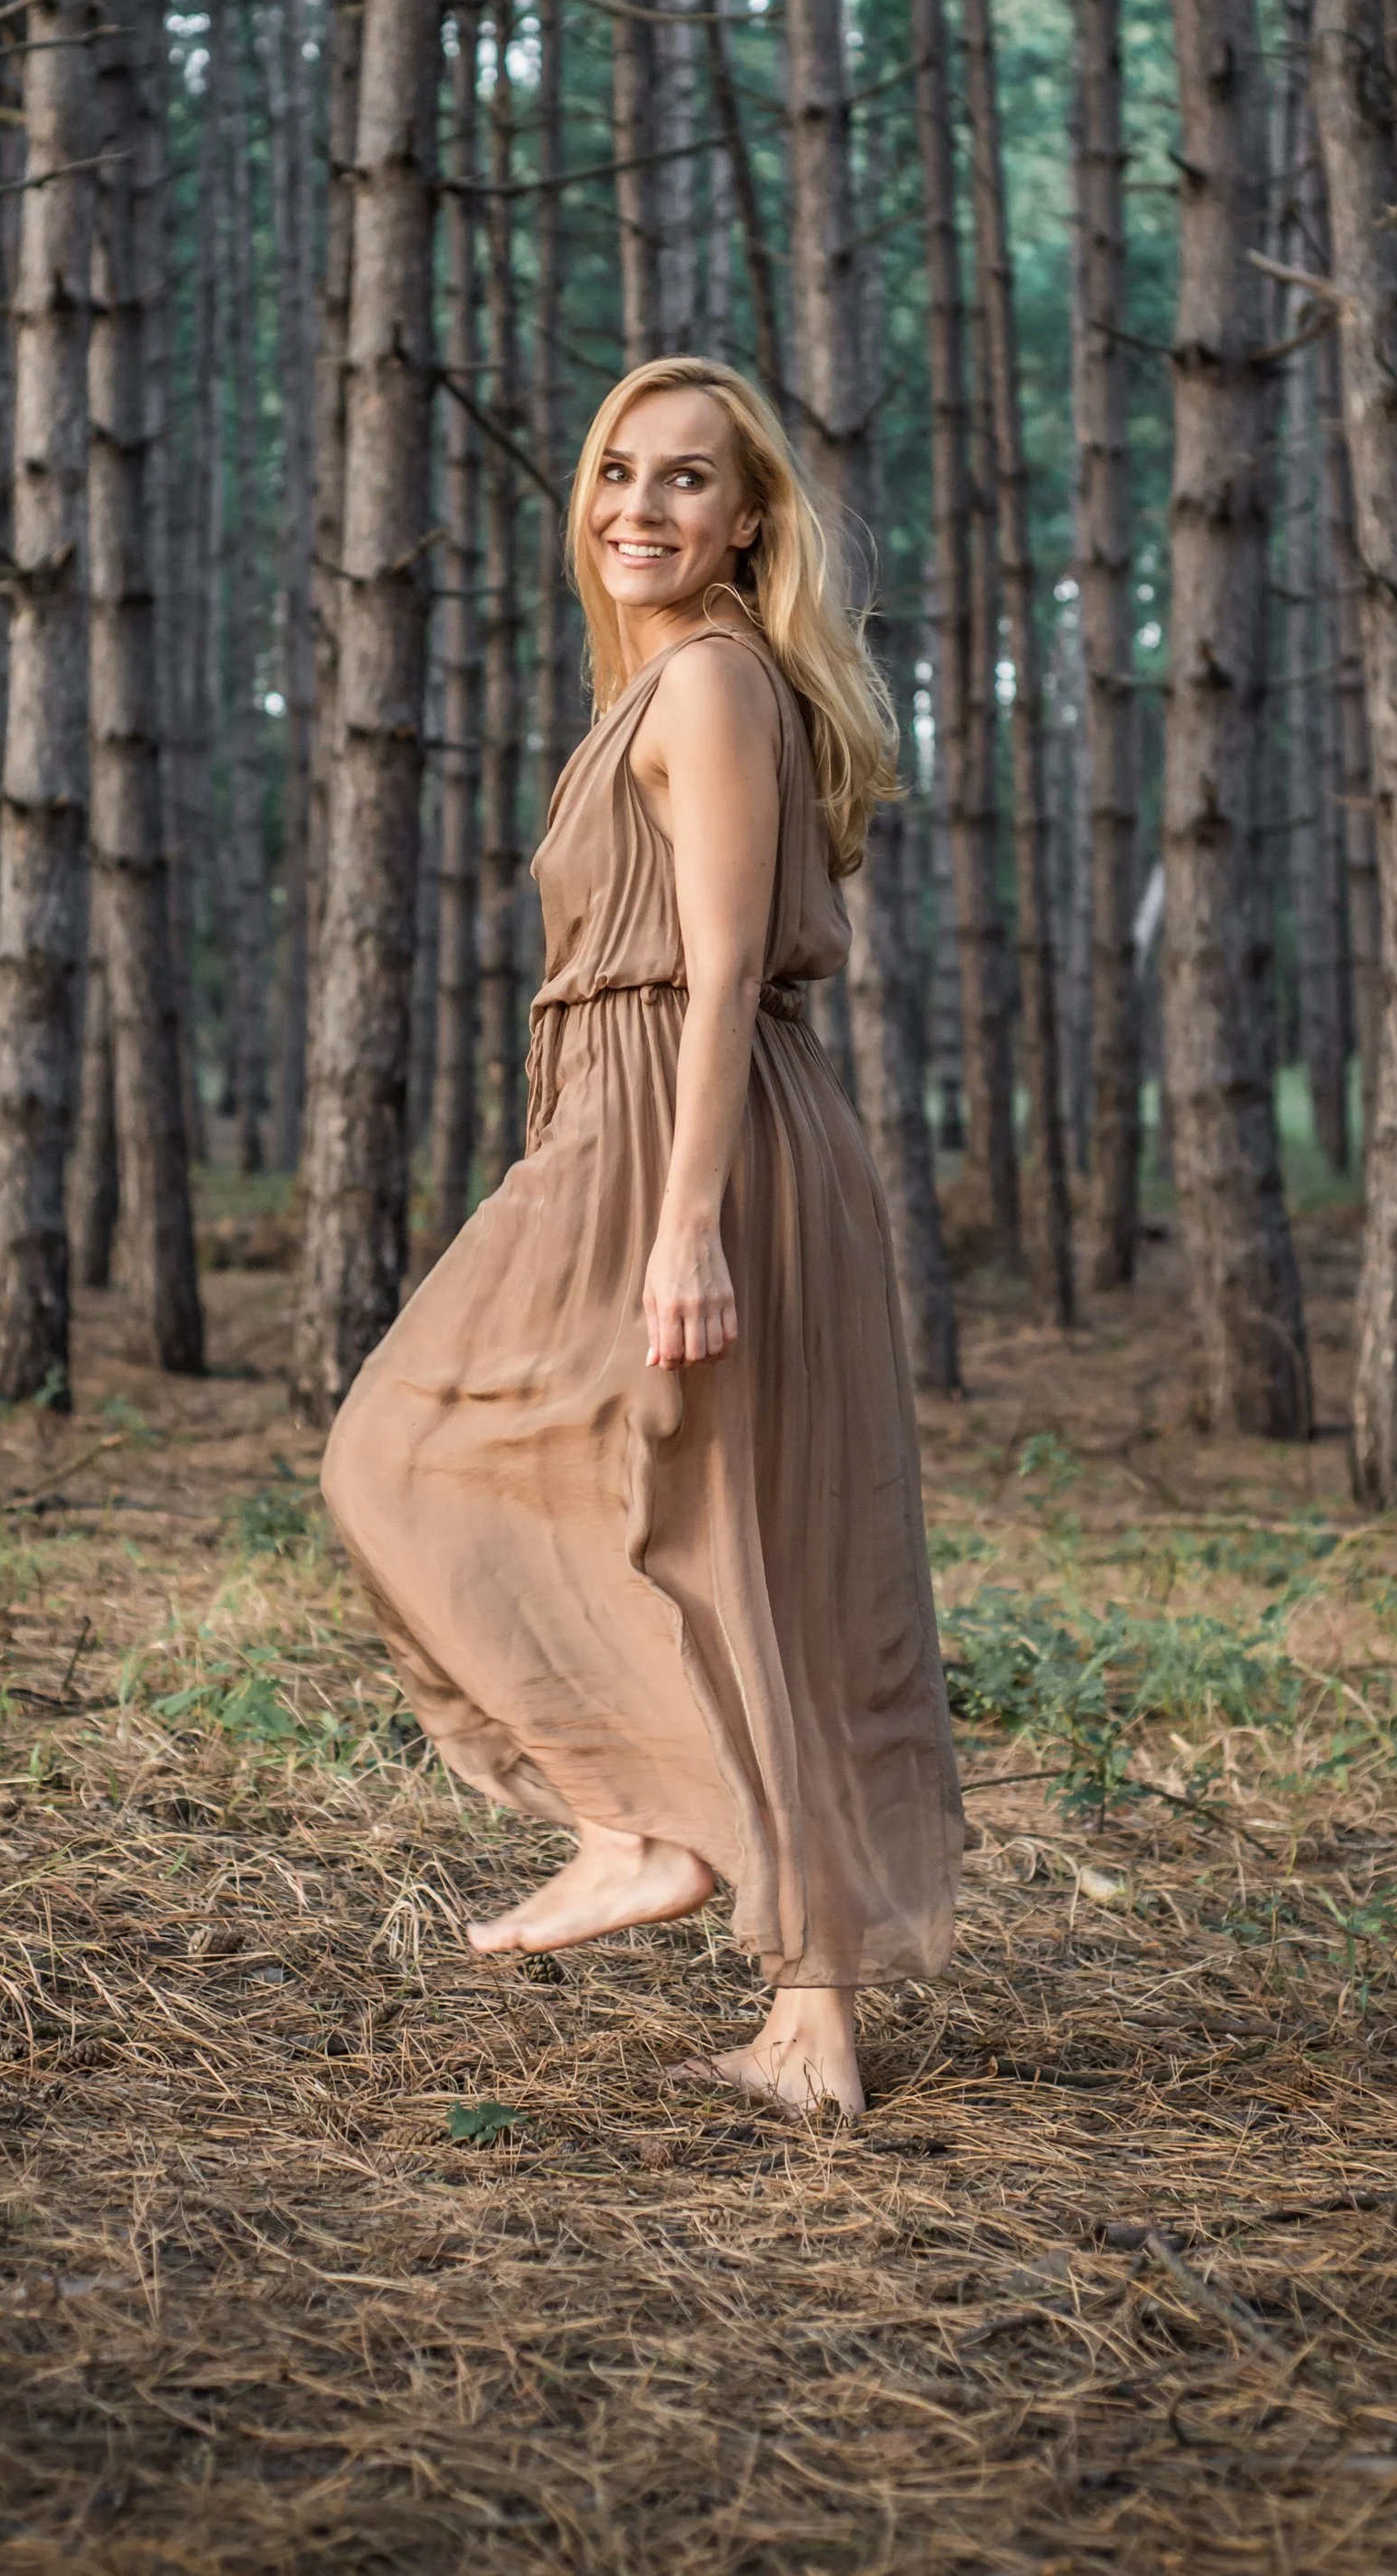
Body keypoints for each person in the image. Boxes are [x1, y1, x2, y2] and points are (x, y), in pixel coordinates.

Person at [322, 356, 962, 2119]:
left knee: (409, 1450)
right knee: (721, 1536)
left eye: (686, 481)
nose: (638, 507)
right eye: (616, 470)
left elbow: (726, 972)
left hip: (687, 1137)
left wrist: (683, 1227)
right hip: (660, 1122)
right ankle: (805, 2011)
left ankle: (636, 1827)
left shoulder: (705, 681)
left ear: (747, 522)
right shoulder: (679, 689)